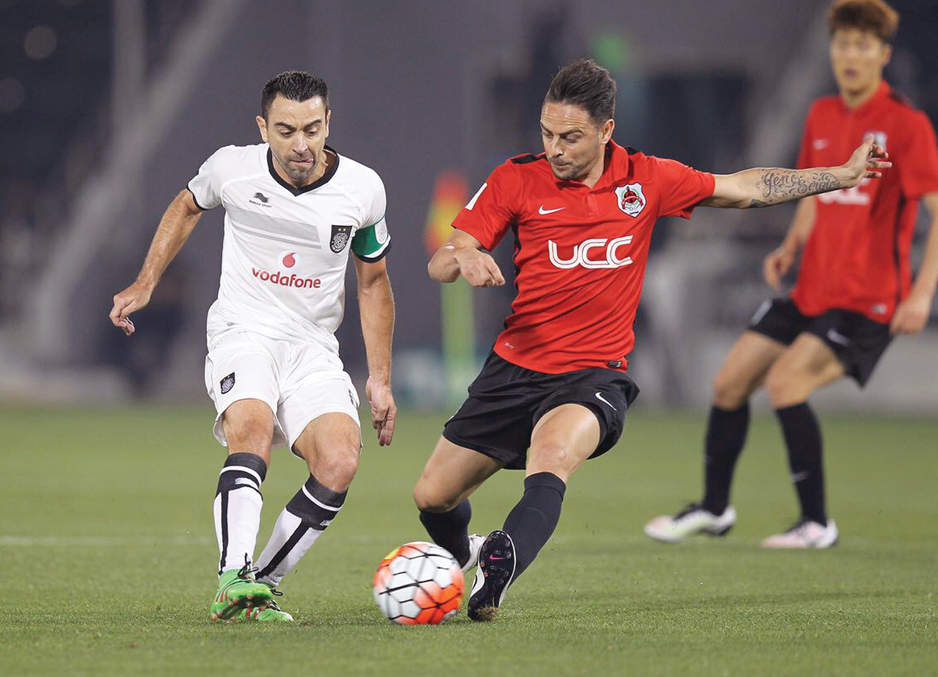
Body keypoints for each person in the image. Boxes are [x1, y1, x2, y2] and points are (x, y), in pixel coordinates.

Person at [412, 58, 889, 622]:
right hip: (513, 369)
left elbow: (744, 188)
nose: (556, 148)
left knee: (554, 453)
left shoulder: (647, 178)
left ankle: (500, 567)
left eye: (570, 137)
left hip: (592, 374)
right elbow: (443, 259)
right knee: (433, 496)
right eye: (547, 133)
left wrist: (838, 175)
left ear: (606, 129)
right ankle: (462, 551)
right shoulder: (517, 177)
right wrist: (465, 255)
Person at [646, 0, 938, 549]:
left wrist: (922, 293)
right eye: (842, 44)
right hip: (810, 290)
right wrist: (790, 244)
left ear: (884, 54)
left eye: (862, 45)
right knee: (730, 383)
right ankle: (714, 508)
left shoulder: (907, 125)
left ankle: (816, 523)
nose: (850, 55)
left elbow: (935, 213)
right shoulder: (823, 114)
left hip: (867, 300)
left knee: (786, 384)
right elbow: (812, 188)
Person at [108, 71, 397, 622]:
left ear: (328, 122)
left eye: (312, 128)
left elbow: (373, 281)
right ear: (263, 128)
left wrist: (379, 377)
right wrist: (148, 281)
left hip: (314, 346)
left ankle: (258, 584)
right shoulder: (232, 168)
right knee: (252, 430)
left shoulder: (364, 190)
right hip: (244, 330)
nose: (301, 145)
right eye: (286, 130)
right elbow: (188, 205)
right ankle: (233, 575)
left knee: (338, 460)